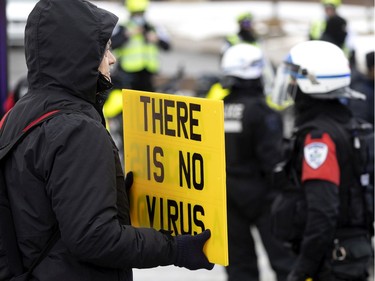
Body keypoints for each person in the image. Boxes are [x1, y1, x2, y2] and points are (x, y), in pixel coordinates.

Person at [0, 0, 213, 280]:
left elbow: (41, 201)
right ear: (79, 54)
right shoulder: (76, 129)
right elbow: (94, 238)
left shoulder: (20, 112)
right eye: (106, 48)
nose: (112, 58)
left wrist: (107, 192)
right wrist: (174, 249)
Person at [271, 40, 373, 281]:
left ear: (313, 82)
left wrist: (302, 269)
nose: (290, 85)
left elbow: (322, 212)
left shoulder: (320, 138)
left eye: (294, 79)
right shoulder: (344, 123)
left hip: (331, 262)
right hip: (346, 255)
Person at [211, 43, 295, 281]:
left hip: (227, 197)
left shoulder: (216, 109)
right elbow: (273, 160)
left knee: (239, 268)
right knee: (285, 262)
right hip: (264, 196)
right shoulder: (262, 112)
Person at [111, 0, 171, 92]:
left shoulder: (153, 27)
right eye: (136, 13)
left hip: (148, 73)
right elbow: (112, 45)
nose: (138, 16)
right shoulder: (123, 27)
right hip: (128, 72)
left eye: (141, 13)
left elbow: (167, 46)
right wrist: (126, 35)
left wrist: (157, 39)